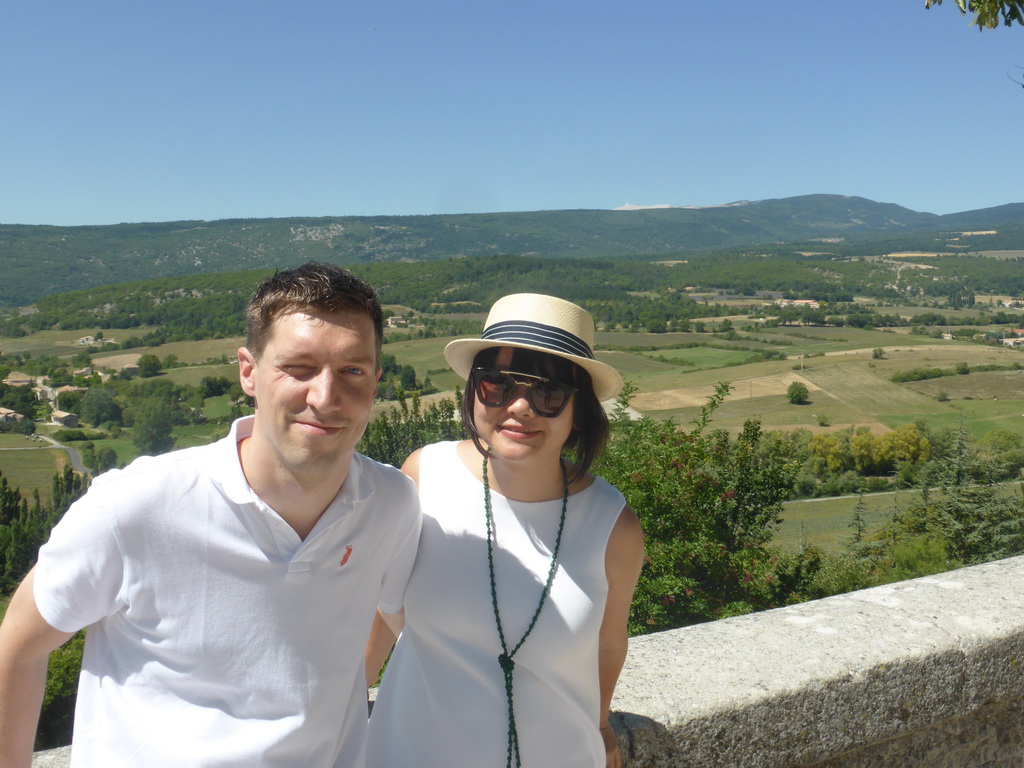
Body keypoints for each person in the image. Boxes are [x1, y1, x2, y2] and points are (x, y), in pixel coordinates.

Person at [0, 262, 421, 768]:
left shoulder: (391, 503)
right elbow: (19, 647)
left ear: (376, 381)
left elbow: (407, 620)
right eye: (299, 368)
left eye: (351, 370)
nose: (325, 397)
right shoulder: (135, 507)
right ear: (248, 371)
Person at [365, 293, 645, 768]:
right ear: (473, 391)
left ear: (579, 413)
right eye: (496, 384)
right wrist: (344, 703)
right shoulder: (423, 476)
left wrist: (600, 724)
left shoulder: (613, 524)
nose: (520, 407)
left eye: (548, 392)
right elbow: (381, 604)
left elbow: (609, 640)